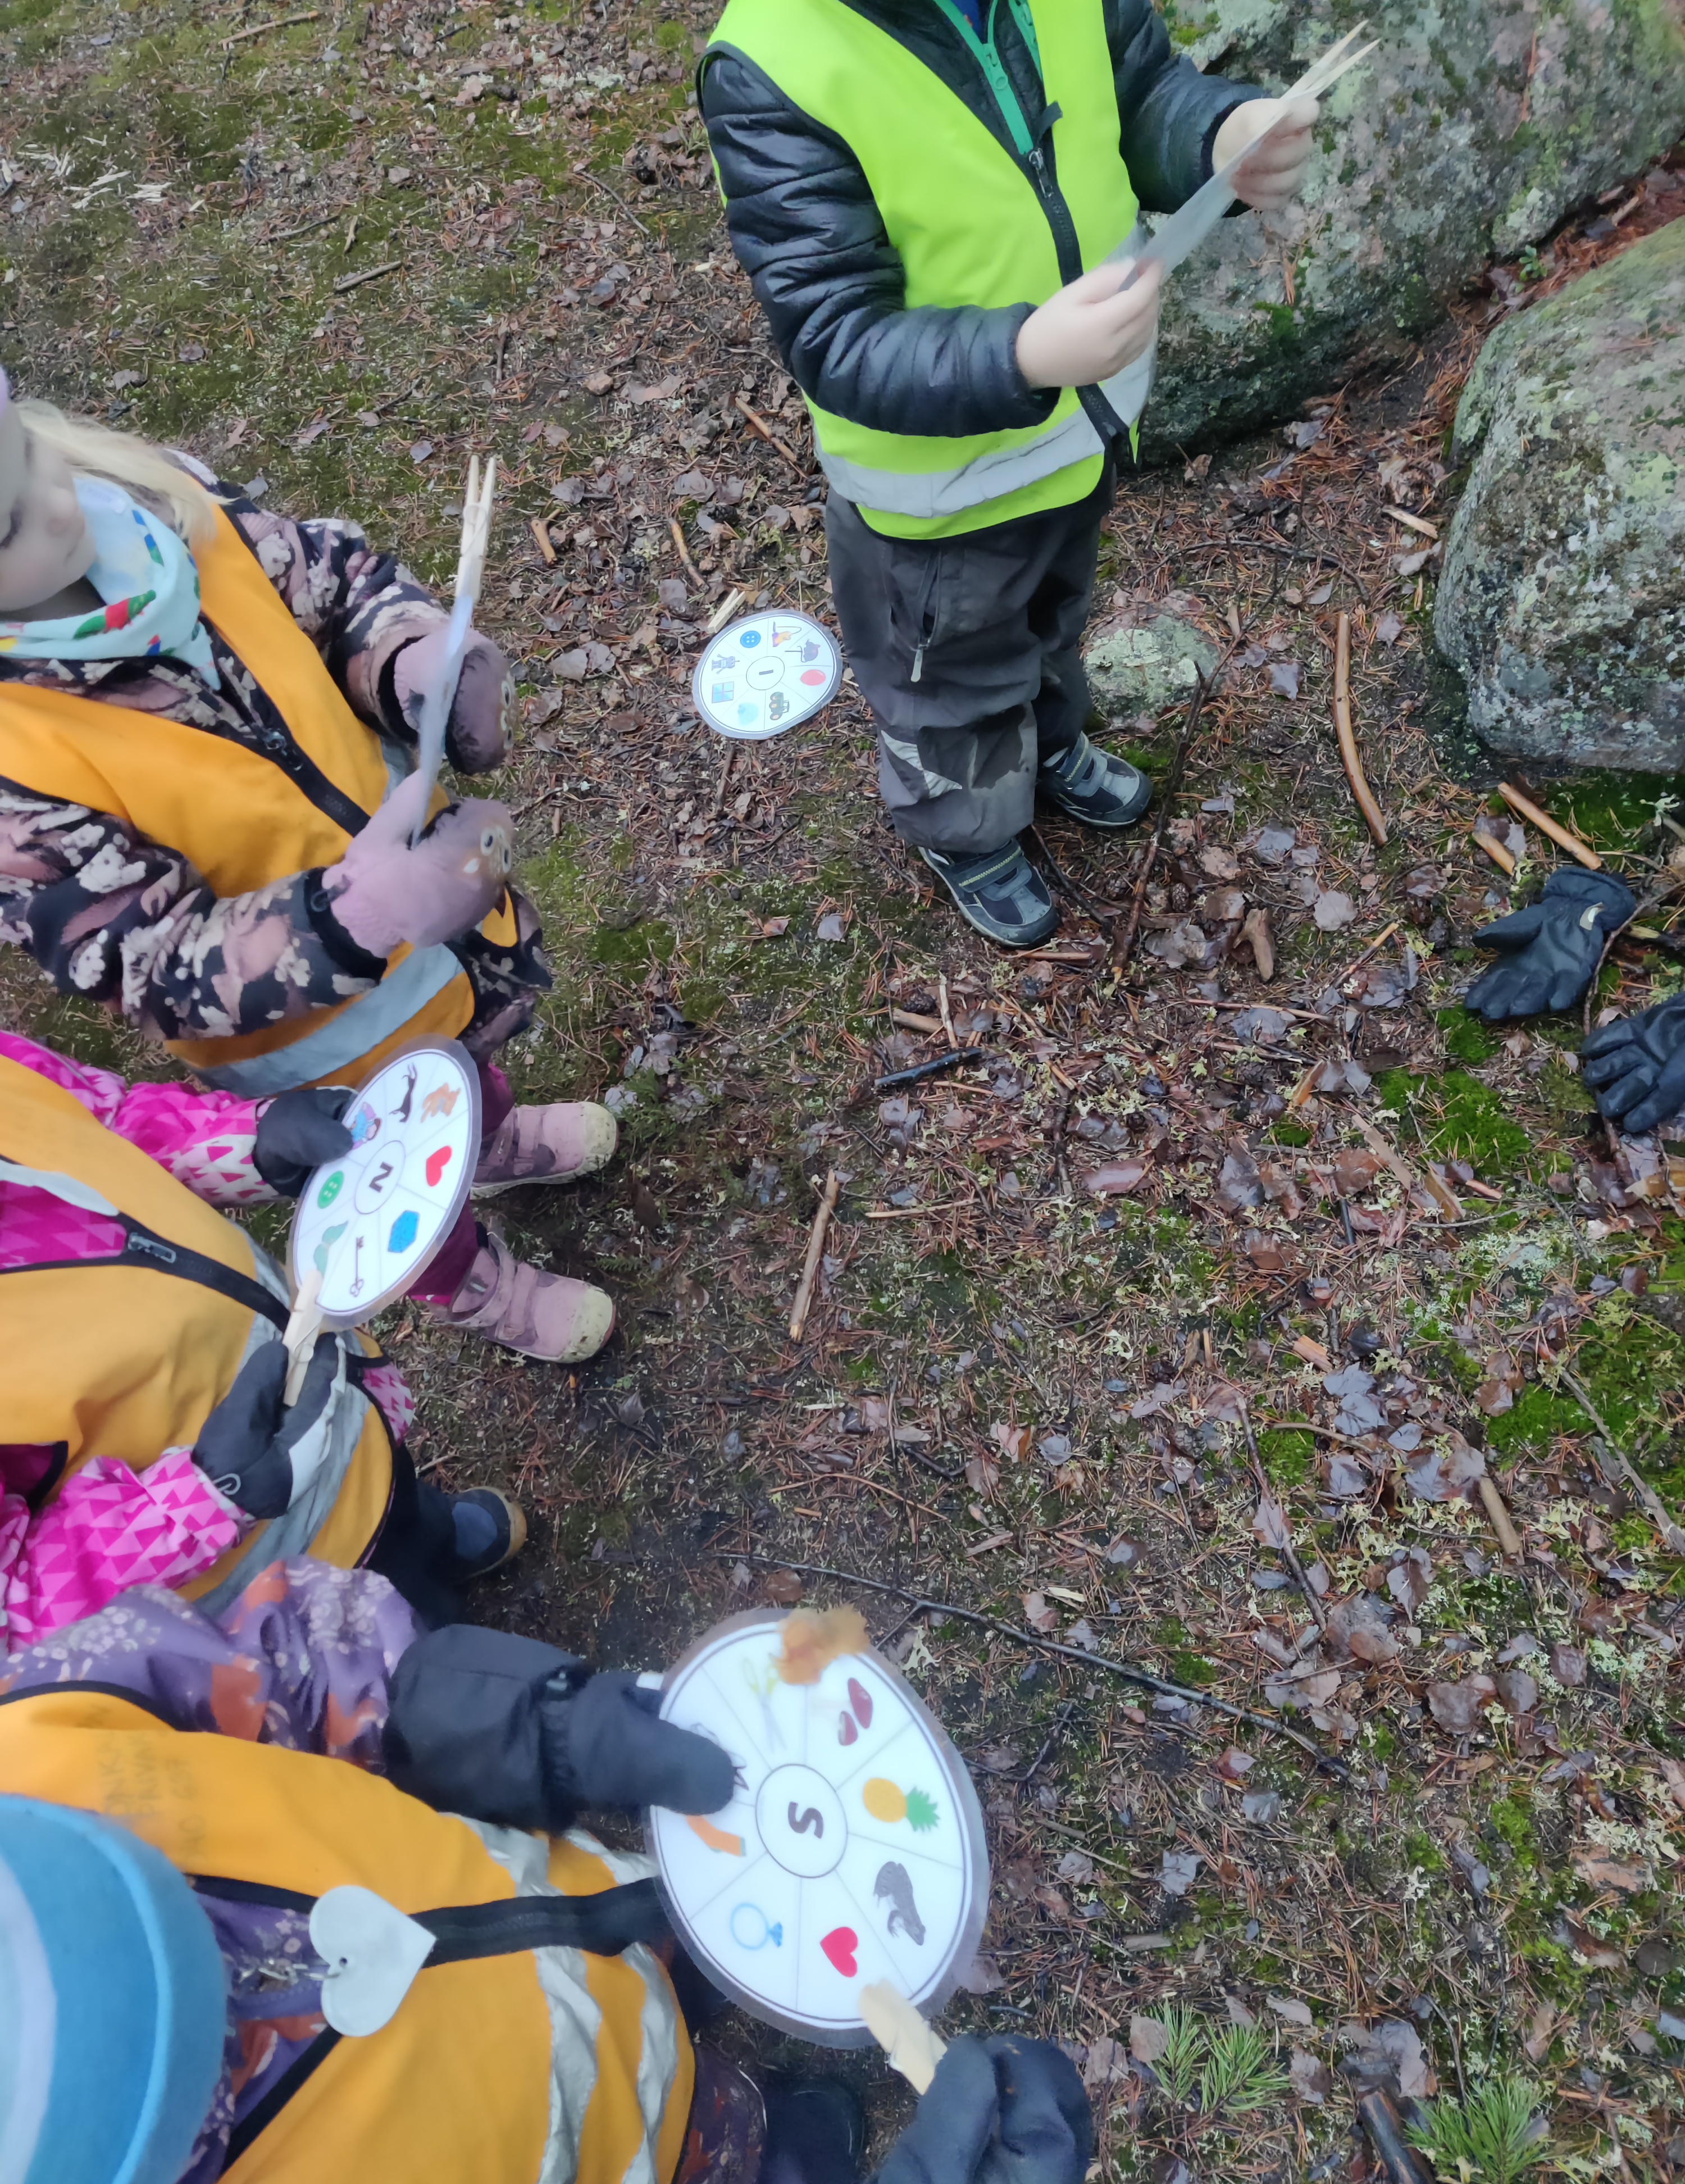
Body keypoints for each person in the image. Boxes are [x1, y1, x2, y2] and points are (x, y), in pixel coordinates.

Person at [0, 1558, 1092, 2184]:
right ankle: (771, 2176)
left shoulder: (35, 1740)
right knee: (745, 2174)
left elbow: (283, 1659)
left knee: (688, 1998)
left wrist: (521, 1724)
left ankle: (732, 2086)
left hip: (591, 1920)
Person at [0, 372, 614, 1359]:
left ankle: (490, 1136)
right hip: (314, 1031)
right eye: (8, 527)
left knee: (463, 1054)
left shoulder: (154, 499)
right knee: (389, 1166)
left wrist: (404, 660)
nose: (63, 504)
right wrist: (352, 916)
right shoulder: (13, 778)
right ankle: (474, 1285)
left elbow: (329, 589)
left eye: (29, 450)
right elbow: (144, 964)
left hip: (434, 919)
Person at [700, 0, 1318, 947]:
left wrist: (1216, 137)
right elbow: (832, 331)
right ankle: (968, 831)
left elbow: (1138, 93)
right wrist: (1022, 355)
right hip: (937, 491)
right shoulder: (771, 63)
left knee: (1054, 618)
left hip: (1076, 427)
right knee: (949, 678)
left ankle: (1050, 746)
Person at [0, 1028, 527, 1644]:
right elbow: (17, 1617)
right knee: (380, 1651)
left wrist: (249, 1143)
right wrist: (202, 1501)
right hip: (255, 1573)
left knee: (386, 1491)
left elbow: (109, 1118)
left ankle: (426, 1533)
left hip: (314, 1384)